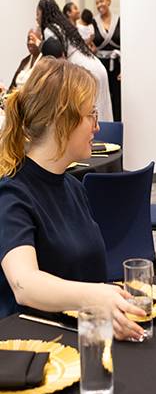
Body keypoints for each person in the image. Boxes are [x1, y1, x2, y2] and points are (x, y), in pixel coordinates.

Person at [0, 58, 145, 339]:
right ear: (61, 119)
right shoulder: (11, 194)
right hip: (36, 353)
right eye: (91, 114)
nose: (97, 126)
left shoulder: (73, 187)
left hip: (83, 338)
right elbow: (24, 284)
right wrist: (93, 296)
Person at [37, 0, 112, 122]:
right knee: (102, 111)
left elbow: (55, 58)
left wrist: (40, 45)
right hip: (95, 64)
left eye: (38, 14)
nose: (37, 18)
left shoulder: (49, 30)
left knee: (88, 115)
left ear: (44, 14)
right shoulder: (64, 25)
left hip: (83, 70)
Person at [92, 0, 121, 122]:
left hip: (116, 65)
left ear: (108, 2)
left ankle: (117, 124)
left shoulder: (119, 20)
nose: (99, 5)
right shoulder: (93, 22)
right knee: (101, 96)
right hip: (100, 64)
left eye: (102, 1)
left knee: (117, 97)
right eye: (97, 3)